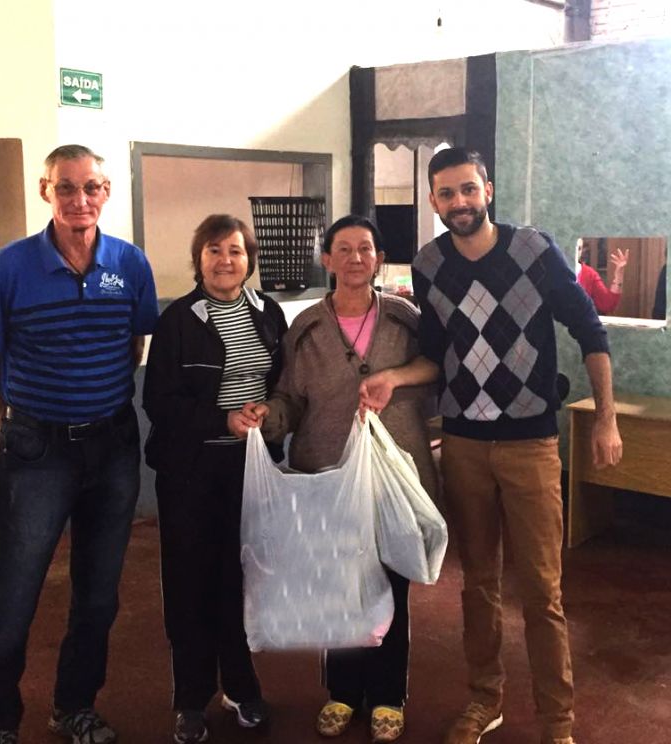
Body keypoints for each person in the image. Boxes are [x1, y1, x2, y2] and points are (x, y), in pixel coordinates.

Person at [360, 148, 622, 744]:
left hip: (531, 445)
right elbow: (436, 355)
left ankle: (557, 722)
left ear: (488, 190)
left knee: (542, 592)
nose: (459, 202)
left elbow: (591, 332)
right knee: (477, 586)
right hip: (464, 446)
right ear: (434, 201)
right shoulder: (429, 265)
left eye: (468, 189)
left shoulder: (533, 250)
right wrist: (393, 377)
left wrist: (607, 419)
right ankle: (485, 700)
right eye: (447, 193)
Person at [0, 144, 159, 744]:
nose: (80, 199)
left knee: (98, 595)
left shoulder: (130, 263)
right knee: (14, 590)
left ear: (106, 192)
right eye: (66, 187)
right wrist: (14, 425)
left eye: (91, 187)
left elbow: (133, 344)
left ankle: (74, 707)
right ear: (45, 191)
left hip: (112, 446)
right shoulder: (9, 266)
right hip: (36, 451)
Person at [248, 215, 439, 744]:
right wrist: (269, 418)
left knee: (391, 585)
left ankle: (388, 695)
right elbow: (289, 397)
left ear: (380, 259)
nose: (356, 258)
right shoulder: (306, 327)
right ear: (327, 259)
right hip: (326, 474)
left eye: (366, 249)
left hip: (394, 475)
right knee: (334, 585)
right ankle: (342, 691)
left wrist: (398, 381)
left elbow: (436, 369)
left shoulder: (406, 319)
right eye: (345, 249)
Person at [142, 214, 287, 744]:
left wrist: (269, 411)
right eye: (214, 250)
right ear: (198, 259)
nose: (225, 260)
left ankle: (242, 687)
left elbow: (283, 384)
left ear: (250, 260)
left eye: (235, 251)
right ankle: (191, 699)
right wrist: (221, 420)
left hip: (250, 469)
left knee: (242, 579)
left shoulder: (268, 313)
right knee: (190, 584)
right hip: (191, 470)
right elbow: (159, 402)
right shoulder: (178, 321)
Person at [575, 238, 630, 314]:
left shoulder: (589, 274)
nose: (575, 252)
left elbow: (607, 305)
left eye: (579, 248)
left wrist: (619, 276)